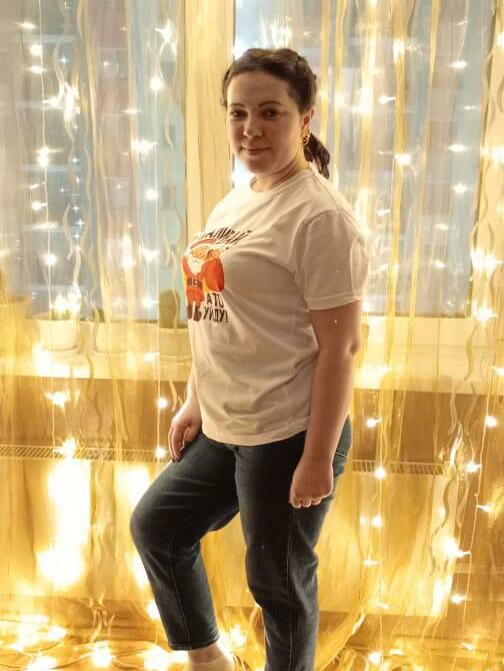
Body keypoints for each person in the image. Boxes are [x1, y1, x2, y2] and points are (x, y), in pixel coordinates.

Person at [130, 48, 369, 671]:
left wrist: (317, 457)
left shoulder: (320, 218)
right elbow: (216, 311)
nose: (250, 128)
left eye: (270, 112)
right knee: (158, 527)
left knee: (278, 584)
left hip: (287, 432)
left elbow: (341, 349)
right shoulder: (238, 200)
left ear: (304, 118)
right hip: (225, 422)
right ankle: (210, 659)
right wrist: (194, 400)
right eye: (238, 113)